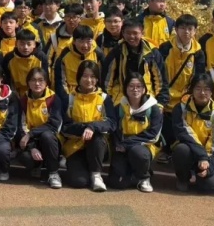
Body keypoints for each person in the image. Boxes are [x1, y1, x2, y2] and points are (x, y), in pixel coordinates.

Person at [60, 61, 115, 191]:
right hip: (75, 146)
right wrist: (84, 128)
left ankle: (96, 174)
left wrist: (92, 127)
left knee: (97, 137)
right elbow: (65, 127)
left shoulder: (104, 98)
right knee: (78, 182)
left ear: (97, 79)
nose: (88, 80)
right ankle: (79, 166)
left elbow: (111, 123)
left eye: (92, 76)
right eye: (85, 76)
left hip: (98, 146)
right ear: (79, 77)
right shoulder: (69, 99)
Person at [159, 14, 206, 160]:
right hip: (166, 94)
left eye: (190, 29)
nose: (186, 32)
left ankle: (179, 151)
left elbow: (199, 76)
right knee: (166, 125)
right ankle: (166, 150)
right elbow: (158, 72)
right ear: (176, 29)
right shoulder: (165, 48)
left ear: (195, 31)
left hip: (185, 96)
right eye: (183, 28)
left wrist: (191, 95)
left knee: (182, 124)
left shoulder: (198, 53)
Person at [108, 73, 163, 192]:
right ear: (125, 88)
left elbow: (153, 134)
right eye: (131, 86)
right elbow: (114, 130)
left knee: (138, 153)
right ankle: (132, 175)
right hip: (122, 146)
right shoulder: (119, 107)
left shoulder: (153, 108)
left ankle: (144, 177)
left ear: (144, 89)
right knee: (116, 182)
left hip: (144, 145)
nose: (135, 89)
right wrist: (118, 145)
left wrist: (128, 143)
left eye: (139, 86)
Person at [171, 73, 214, 193]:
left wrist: (208, 165)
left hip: (207, 156)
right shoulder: (180, 108)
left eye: (206, 89)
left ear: (212, 92)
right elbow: (183, 134)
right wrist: (201, 155)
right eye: (198, 88)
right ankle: (183, 178)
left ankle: (200, 176)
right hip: (189, 151)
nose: (202, 93)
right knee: (181, 149)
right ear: (191, 90)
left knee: (209, 185)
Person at [16, 68, 63, 188]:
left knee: (47, 136)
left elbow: (54, 125)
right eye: (33, 80)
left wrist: (30, 134)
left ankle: (53, 173)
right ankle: (37, 166)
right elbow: (21, 126)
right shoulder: (23, 100)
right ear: (28, 83)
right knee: (25, 157)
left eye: (41, 80)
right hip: (31, 142)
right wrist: (32, 147)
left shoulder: (54, 99)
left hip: (50, 140)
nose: (37, 83)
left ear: (46, 82)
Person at [104, 18, 168, 106]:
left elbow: (161, 79)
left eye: (135, 33)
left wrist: (161, 102)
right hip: (122, 95)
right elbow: (107, 78)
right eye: (128, 33)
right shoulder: (117, 51)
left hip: (146, 94)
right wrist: (107, 100)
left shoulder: (152, 52)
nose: (131, 36)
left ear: (142, 33)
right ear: (123, 33)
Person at [53, 24, 105, 113]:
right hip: (71, 95)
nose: (85, 45)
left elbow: (103, 78)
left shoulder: (98, 54)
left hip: (94, 94)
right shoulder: (65, 56)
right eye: (81, 41)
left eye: (88, 41)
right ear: (74, 41)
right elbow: (60, 82)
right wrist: (67, 100)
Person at [1, 28, 49, 96]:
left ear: (34, 44)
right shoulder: (9, 58)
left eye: (29, 44)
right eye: (22, 44)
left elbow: (45, 79)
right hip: (16, 94)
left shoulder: (41, 57)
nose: (25, 47)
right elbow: (7, 81)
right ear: (16, 43)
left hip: (37, 92)